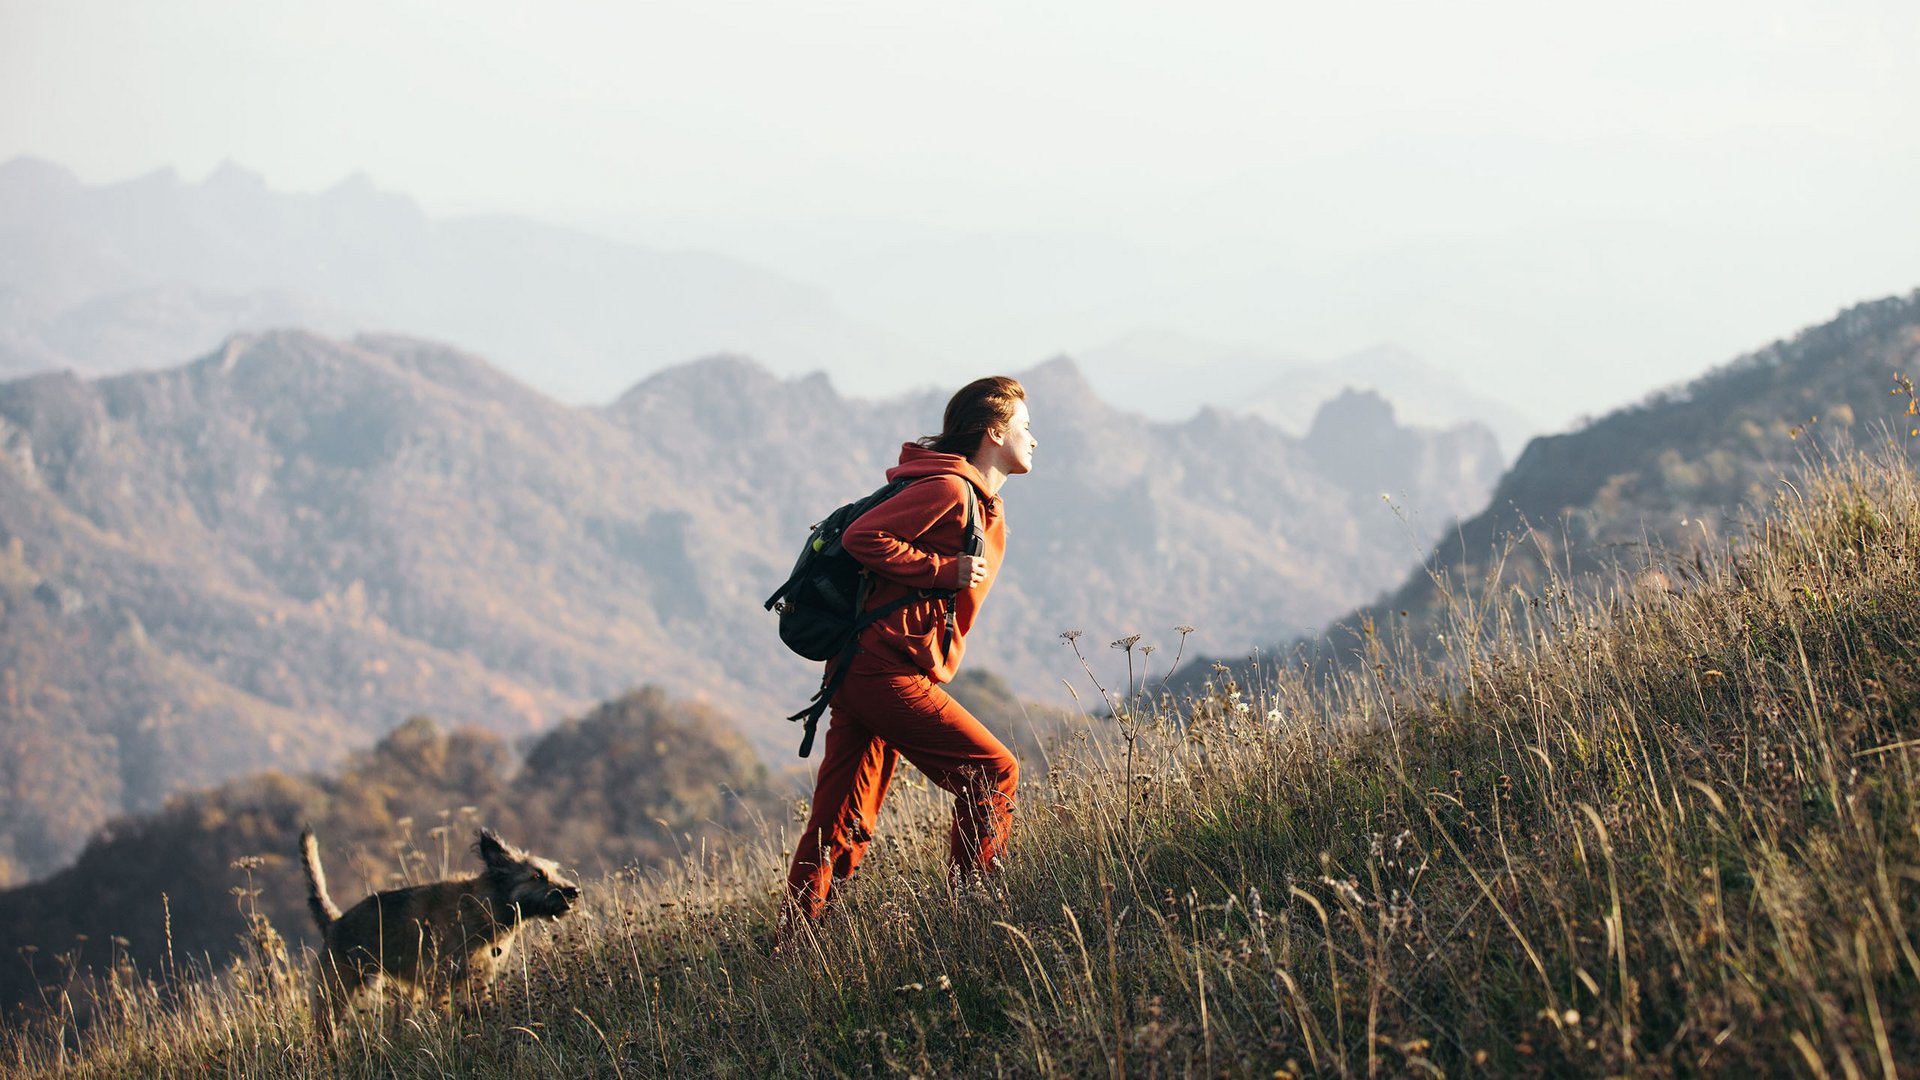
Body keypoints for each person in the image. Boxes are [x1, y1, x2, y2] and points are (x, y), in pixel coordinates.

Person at [780, 376, 1037, 935]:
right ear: (994, 432)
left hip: (865, 668)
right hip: (880, 670)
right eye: (1024, 426)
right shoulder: (948, 489)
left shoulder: (975, 499)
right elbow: (863, 537)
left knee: (840, 819)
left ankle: (793, 946)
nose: (1033, 439)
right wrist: (942, 570)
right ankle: (976, 920)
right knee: (993, 774)